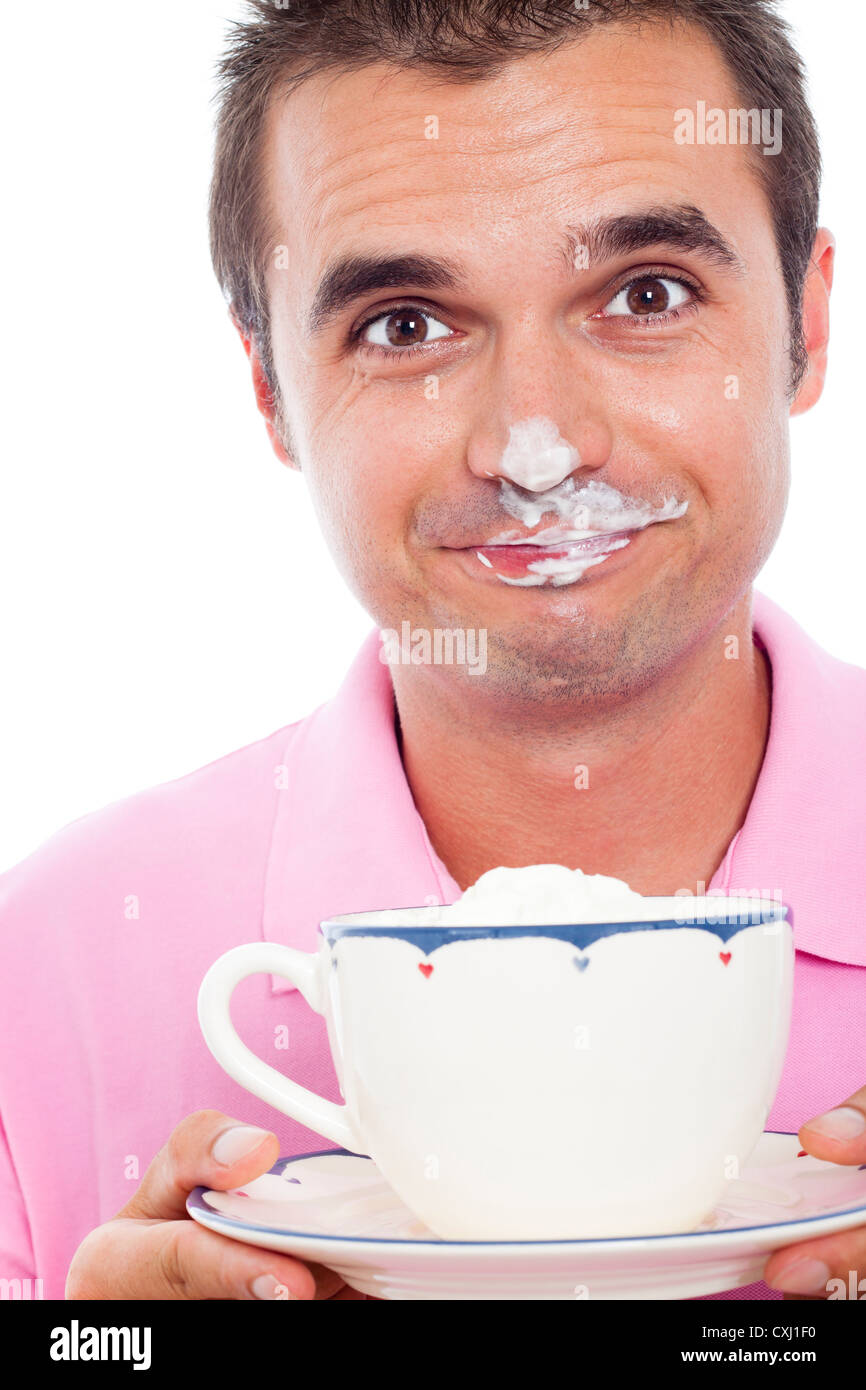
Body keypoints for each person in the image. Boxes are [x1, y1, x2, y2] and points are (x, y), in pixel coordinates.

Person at [2, 0, 864, 1303]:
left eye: (644, 293)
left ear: (803, 318)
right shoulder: (42, 967)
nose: (536, 443)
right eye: (405, 325)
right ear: (269, 393)